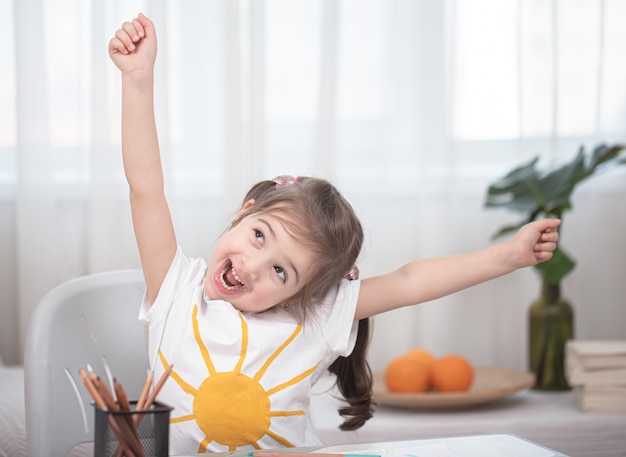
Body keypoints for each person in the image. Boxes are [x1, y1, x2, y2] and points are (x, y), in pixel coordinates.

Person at [109, 14, 560, 455]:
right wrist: (138, 81)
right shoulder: (176, 292)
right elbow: (145, 188)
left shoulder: (313, 320)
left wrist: (509, 257)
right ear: (244, 215)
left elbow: (408, 283)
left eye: (282, 272)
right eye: (260, 236)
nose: (253, 265)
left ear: (302, 292)